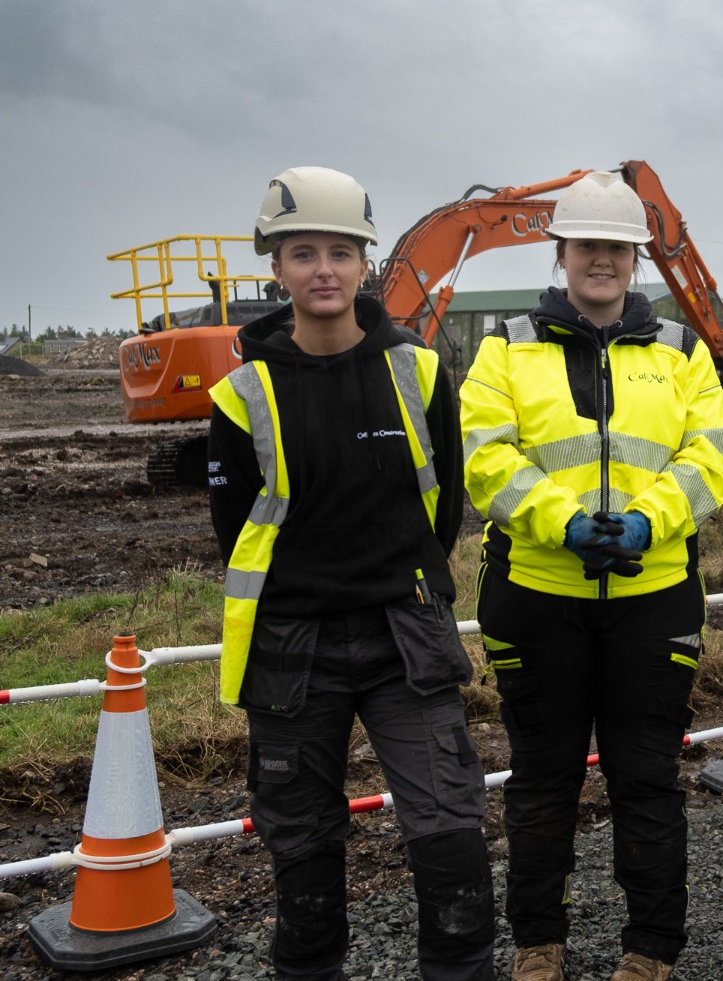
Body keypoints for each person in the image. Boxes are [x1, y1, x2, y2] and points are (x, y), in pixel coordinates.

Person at [207, 166, 495, 980]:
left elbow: (441, 508)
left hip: (406, 636)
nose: (323, 269)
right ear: (276, 267)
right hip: (292, 650)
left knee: (449, 835)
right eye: (303, 253)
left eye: (340, 251)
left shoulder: (421, 371)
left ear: (367, 262)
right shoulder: (241, 394)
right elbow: (237, 531)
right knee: (301, 849)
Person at [459, 171, 723, 981]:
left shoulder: (682, 354)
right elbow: (486, 456)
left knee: (646, 779)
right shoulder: (506, 346)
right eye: (588, 246)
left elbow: (710, 456)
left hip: (650, 602)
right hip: (540, 597)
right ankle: (538, 943)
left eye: (617, 247)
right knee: (542, 779)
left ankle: (650, 951)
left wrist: (649, 519)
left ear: (636, 258)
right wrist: (562, 520)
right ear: (562, 252)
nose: (602, 260)